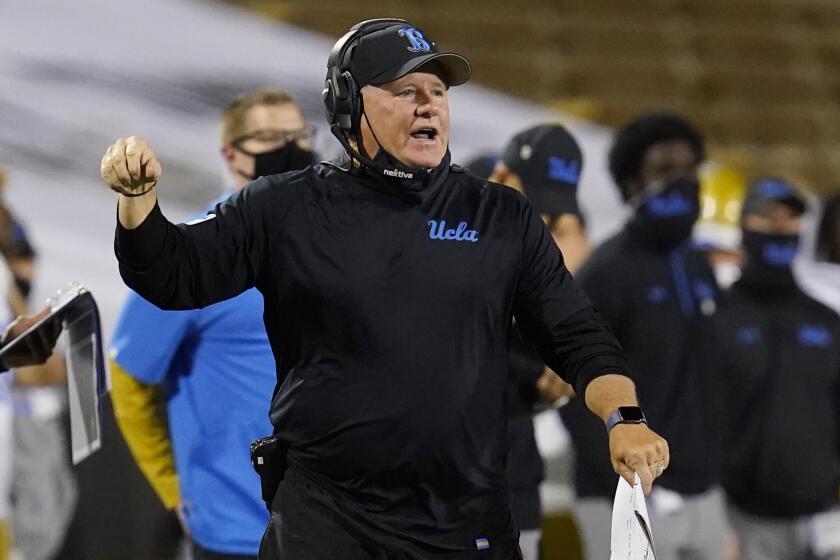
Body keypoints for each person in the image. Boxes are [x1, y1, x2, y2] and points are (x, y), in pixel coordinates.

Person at [101, 19, 670, 559]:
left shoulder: (501, 216)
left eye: (437, 90)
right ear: (349, 106)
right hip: (327, 522)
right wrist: (138, 203)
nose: (428, 104)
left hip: (463, 524)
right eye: (404, 89)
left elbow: (578, 335)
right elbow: (172, 274)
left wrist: (625, 418)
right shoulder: (284, 207)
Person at [109, 87, 314, 560]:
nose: (294, 148)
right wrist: (173, 484)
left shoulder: (323, 242)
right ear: (231, 153)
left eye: (300, 135)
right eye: (272, 137)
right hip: (237, 529)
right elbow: (130, 376)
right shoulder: (193, 252)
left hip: (328, 523)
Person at [560, 112, 727, 560]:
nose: (684, 182)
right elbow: (574, 386)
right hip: (624, 494)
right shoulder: (604, 272)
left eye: (690, 169)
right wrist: (630, 483)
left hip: (702, 492)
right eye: (666, 171)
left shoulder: (699, 266)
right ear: (633, 182)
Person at [713, 178, 840, 560]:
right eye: (769, 219)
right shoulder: (718, 316)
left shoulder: (826, 320)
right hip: (742, 517)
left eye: (790, 220)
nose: (782, 229)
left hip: (823, 515)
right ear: (745, 226)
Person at [485, 124, 586, 560]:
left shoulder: (559, 238)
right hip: (432, 489)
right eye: (537, 204)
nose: (542, 223)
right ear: (504, 176)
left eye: (554, 214)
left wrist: (551, 390)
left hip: (514, 480)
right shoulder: (443, 213)